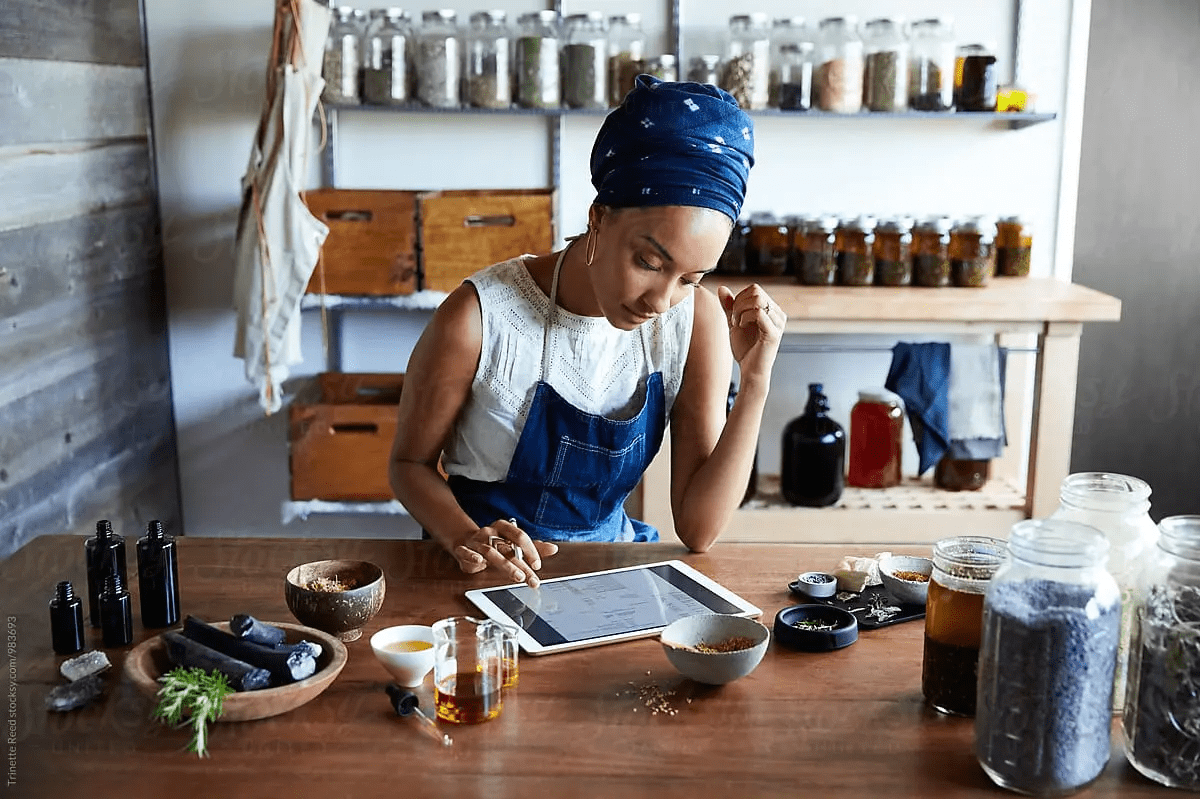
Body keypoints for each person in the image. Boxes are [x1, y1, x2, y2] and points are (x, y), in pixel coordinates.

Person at [389, 76, 785, 587]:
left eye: (691, 278)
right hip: (480, 578)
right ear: (598, 220)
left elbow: (699, 529)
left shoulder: (696, 321)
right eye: (648, 261)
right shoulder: (479, 317)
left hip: (606, 579)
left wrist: (754, 382)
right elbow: (408, 465)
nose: (660, 301)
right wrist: (465, 536)